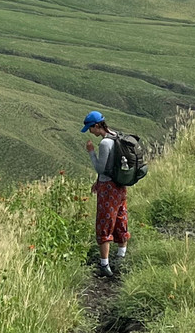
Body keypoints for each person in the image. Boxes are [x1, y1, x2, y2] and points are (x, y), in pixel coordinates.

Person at [81, 110, 129, 277]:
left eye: (90, 128)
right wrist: (98, 181)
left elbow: (100, 167)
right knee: (121, 218)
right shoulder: (116, 135)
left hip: (108, 188)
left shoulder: (104, 144)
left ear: (96, 126)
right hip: (120, 185)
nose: (90, 132)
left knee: (105, 221)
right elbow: (111, 166)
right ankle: (121, 256)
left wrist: (91, 152)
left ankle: (104, 265)